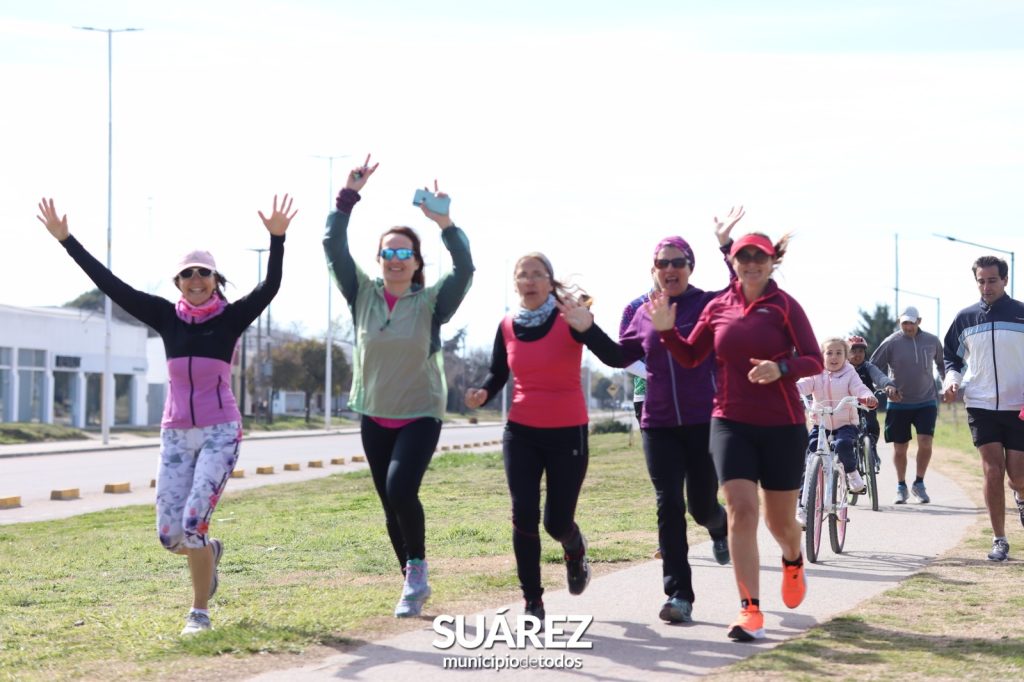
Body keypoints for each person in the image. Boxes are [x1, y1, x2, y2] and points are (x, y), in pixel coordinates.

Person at [36, 195, 296, 636]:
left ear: (215, 279)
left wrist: (277, 238)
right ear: (178, 281)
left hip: (220, 431)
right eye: (187, 273)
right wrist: (67, 241)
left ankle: (199, 613)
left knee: (194, 521)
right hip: (176, 435)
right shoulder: (164, 317)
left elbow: (269, 287)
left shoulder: (231, 319)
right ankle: (209, 553)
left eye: (203, 272)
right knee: (171, 537)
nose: (195, 279)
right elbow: (111, 285)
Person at [648, 230, 823, 642]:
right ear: (734, 263)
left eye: (759, 257)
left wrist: (780, 368)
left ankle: (793, 558)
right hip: (729, 422)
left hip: (782, 425)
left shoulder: (784, 307)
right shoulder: (718, 306)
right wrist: (667, 332)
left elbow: (814, 359)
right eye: (743, 257)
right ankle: (750, 610)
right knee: (741, 512)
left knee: (780, 523)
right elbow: (692, 356)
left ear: (771, 261)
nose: (751, 264)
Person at [323, 155, 474, 617]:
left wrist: (445, 223)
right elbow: (333, 245)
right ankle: (411, 579)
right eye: (387, 252)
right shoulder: (362, 294)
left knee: (400, 487)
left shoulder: (431, 302)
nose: (394, 259)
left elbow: (465, 268)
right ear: (379, 259)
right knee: (390, 503)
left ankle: (417, 570)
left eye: (403, 252)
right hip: (374, 412)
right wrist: (347, 197)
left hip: (420, 413)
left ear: (415, 261)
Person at [464, 253, 621, 625]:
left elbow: (614, 356)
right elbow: (497, 373)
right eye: (524, 275)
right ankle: (532, 602)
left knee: (556, 522)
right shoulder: (506, 325)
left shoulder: (570, 318)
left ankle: (574, 546)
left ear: (550, 283)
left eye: (538, 274)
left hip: (568, 432)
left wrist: (588, 329)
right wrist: (483, 393)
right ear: (515, 283)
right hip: (520, 432)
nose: (530, 280)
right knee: (523, 515)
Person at [613, 208, 743, 624]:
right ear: (653, 270)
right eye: (662, 263)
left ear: (690, 266)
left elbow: (741, 291)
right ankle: (679, 595)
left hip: (703, 421)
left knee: (699, 505)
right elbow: (620, 355)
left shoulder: (706, 303)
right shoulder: (640, 311)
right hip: (658, 423)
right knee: (668, 503)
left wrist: (727, 246)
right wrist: (582, 329)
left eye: (677, 262)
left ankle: (717, 525)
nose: (670, 269)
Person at [942, 255, 1024, 562]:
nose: (986, 287)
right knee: (992, 469)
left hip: (1019, 406)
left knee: (1018, 476)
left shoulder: (1021, 314)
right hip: (980, 403)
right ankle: (999, 539)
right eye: (981, 281)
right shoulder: (965, 318)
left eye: (992, 280)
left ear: (1004, 280)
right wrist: (952, 379)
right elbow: (952, 357)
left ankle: (1020, 496)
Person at [795, 337, 879, 524]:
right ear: (822, 355)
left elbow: (860, 389)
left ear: (846, 356)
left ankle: (852, 474)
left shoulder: (850, 373)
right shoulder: (815, 372)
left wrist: (868, 398)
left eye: (839, 353)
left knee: (843, 445)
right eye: (829, 353)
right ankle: (802, 507)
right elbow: (803, 385)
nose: (834, 357)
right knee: (808, 460)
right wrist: (789, 389)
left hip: (845, 423)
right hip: (820, 424)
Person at [870, 306, 945, 504]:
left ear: (919, 321)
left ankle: (919, 483)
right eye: (904, 323)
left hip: (926, 401)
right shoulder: (891, 342)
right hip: (899, 403)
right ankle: (901, 486)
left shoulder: (932, 341)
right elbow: (873, 367)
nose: (908, 326)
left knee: (926, 442)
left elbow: (942, 363)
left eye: (911, 322)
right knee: (900, 448)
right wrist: (886, 387)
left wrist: (947, 384)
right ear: (899, 322)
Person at [847, 335, 896, 473]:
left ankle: (871, 450)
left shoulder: (868, 367)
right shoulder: (842, 368)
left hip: (866, 405)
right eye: (853, 351)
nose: (857, 355)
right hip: (846, 407)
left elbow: (879, 376)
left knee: (872, 425)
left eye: (861, 351)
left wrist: (888, 385)